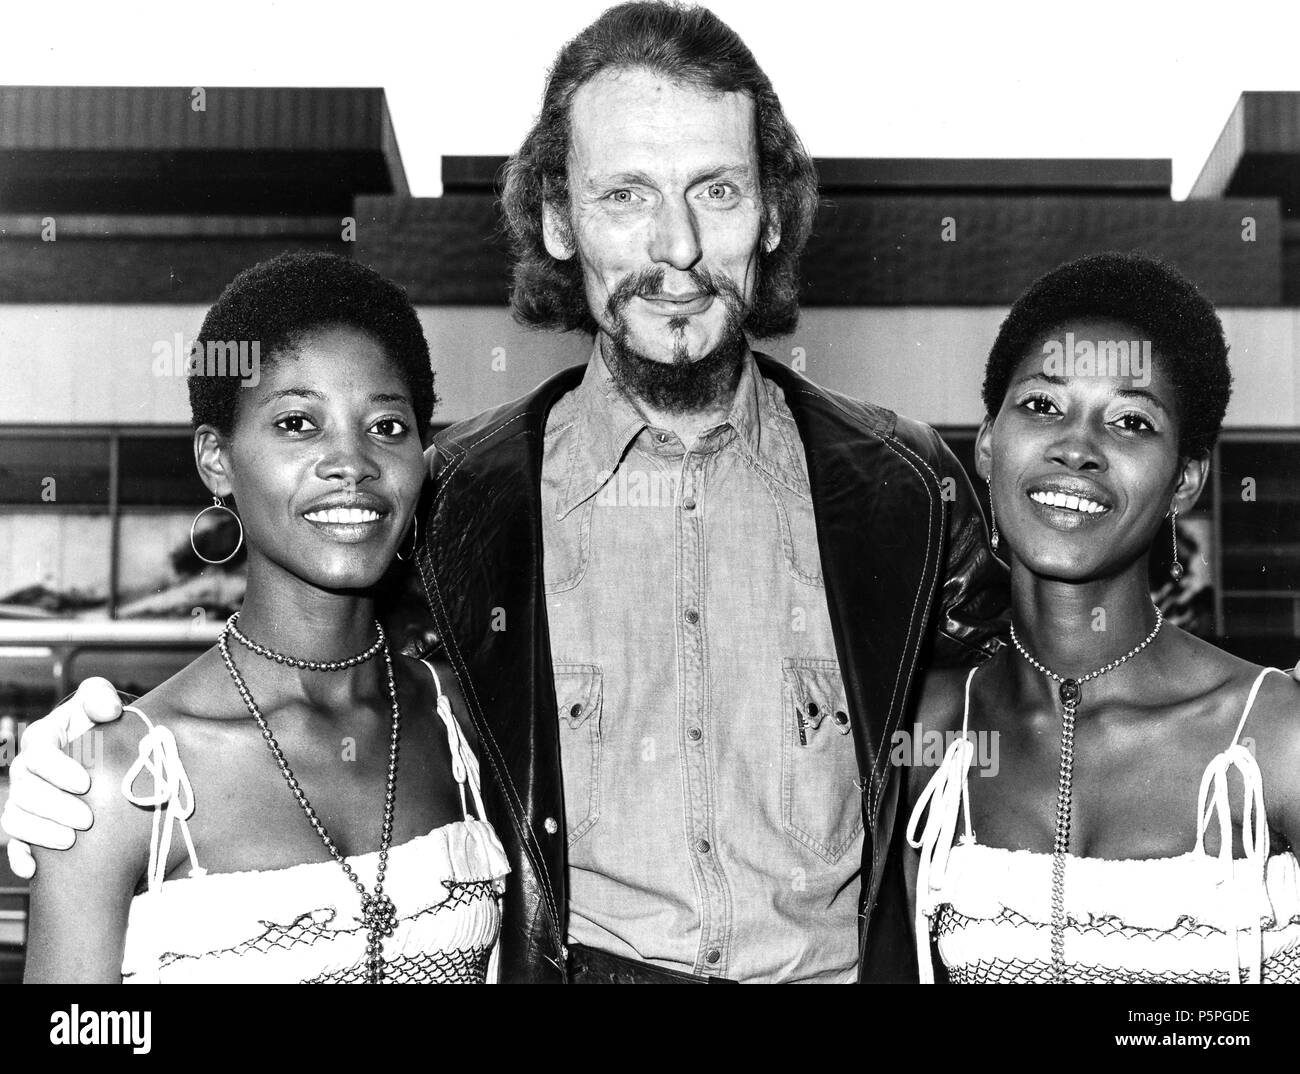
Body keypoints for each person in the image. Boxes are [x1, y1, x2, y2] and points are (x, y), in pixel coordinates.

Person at [5, 2, 1005, 983]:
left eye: (716, 191)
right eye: (625, 196)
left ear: (772, 215)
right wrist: (75, 766)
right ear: (559, 223)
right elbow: (305, 695)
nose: (677, 248)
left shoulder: (910, 494)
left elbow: (1062, 708)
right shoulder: (448, 510)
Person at [21, 251, 509, 983]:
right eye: (296, 423)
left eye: (386, 425)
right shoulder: (119, 778)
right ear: (217, 460)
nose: (352, 462)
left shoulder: (462, 721)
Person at [906, 252, 1300, 983]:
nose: (1077, 448)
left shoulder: (1275, 735)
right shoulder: (933, 733)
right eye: (1042, 406)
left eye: (1130, 421)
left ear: (1184, 479)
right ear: (988, 445)